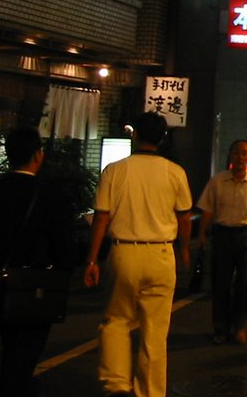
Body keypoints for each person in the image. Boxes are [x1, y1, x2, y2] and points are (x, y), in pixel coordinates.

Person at [83, 111, 193, 397]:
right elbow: (184, 217)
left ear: (134, 134)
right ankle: (150, 392)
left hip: (124, 252)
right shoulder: (175, 172)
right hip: (161, 253)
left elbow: (102, 218)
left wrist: (92, 259)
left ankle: (117, 383)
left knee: (116, 320)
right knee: (155, 331)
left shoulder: (115, 170)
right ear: (162, 138)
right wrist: (184, 250)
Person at [0, 127, 75, 397]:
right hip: (36, 286)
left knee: (11, 347)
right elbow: (63, 244)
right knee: (26, 352)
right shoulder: (49, 195)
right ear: (37, 156)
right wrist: (65, 272)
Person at [198, 139, 247, 345]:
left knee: (246, 284)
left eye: (245, 153)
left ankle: (239, 325)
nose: (241, 157)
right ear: (230, 155)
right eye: (237, 153)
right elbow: (207, 210)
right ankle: (220, 328)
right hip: (223, 235)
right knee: (220, 284)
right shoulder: (217, 181)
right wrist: (202, 234)